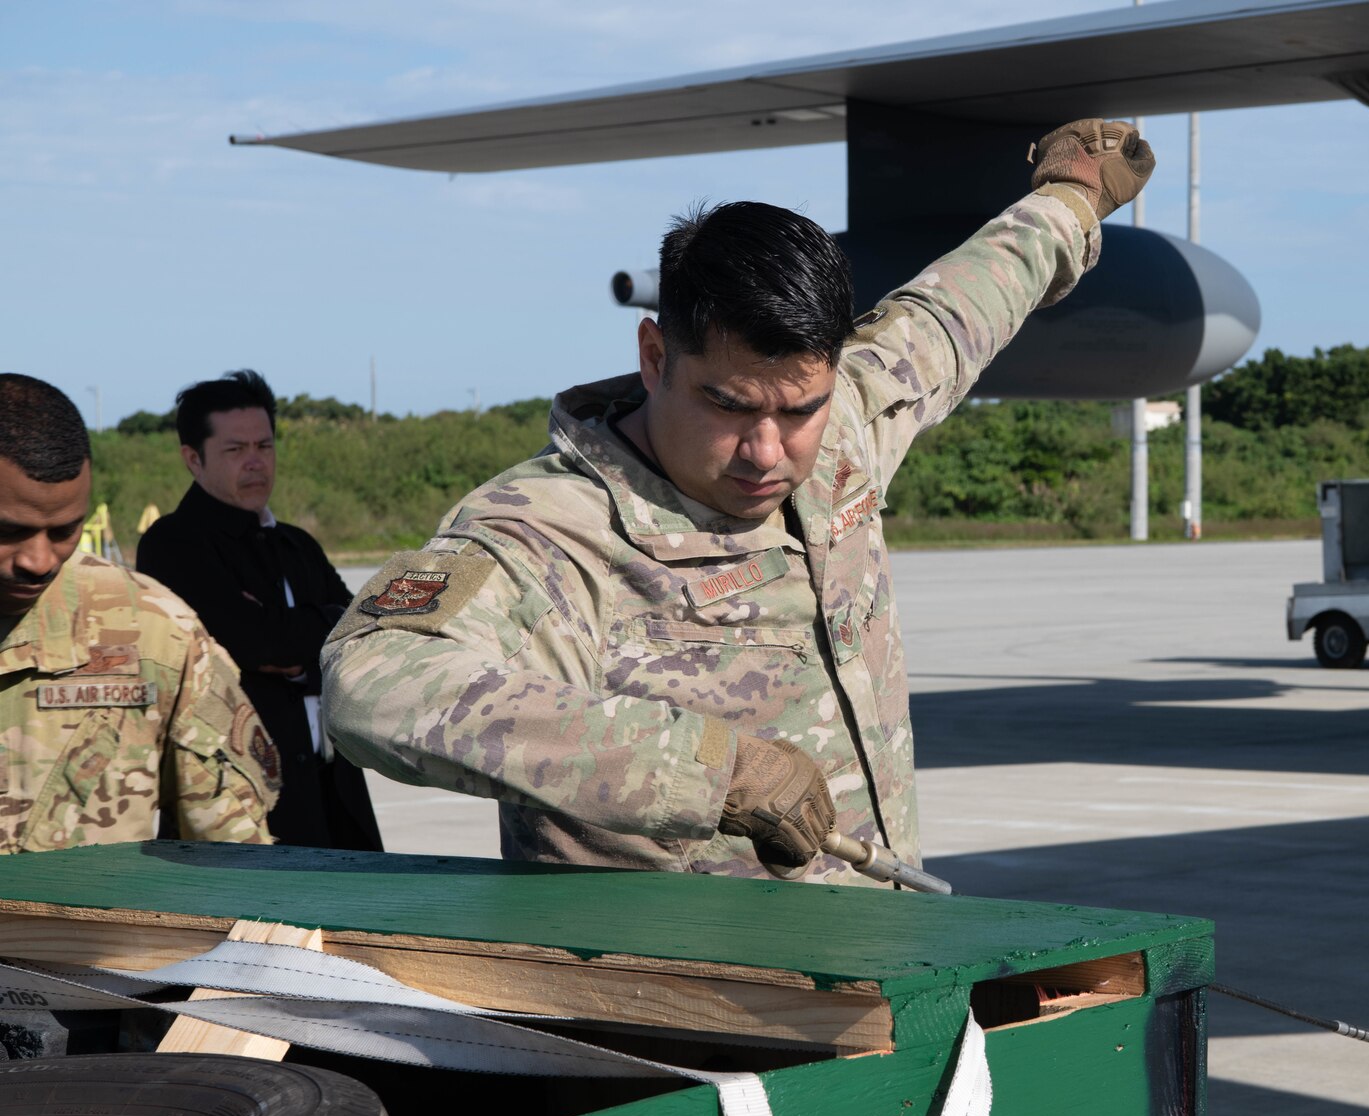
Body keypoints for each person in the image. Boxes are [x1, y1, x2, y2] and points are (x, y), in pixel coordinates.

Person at [323, 119, 1153, 879]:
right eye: (727, 405)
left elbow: (961, 304)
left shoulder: (845, 429)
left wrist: (1073, 198)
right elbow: (372, 682)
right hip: (672, 1011)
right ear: (655, 356)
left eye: (798, 409)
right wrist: (713, 770)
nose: (767, 450)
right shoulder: (553, 532)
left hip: (872, 966)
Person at [0, 374, 278, 853]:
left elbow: (233, 860)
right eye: (10, 530)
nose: (38, 560)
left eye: (65, 530)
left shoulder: (154, 635)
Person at [137, 371, 382, 850]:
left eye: (264, 447)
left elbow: (364, 631)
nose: (255, 463)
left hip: (335, 792)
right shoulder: (173, 544)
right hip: (235, 799)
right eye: (235, 450)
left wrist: (295, 641)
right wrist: (315, 630)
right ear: (193, 458)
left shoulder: (297, 545)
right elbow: (256, 640)